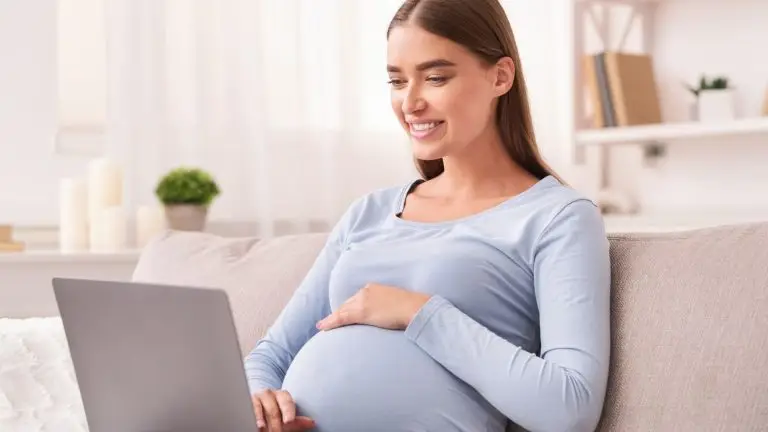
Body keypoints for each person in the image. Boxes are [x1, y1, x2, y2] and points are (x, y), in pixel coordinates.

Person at [244, 0, 611, 430]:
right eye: (397, 81)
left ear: (500, 76)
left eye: (435, 77)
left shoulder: (558, 217)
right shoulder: (370, 212)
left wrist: (419, 313)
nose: (410, 102)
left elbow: (571, 409)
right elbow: (269, 357)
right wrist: (263, 406)